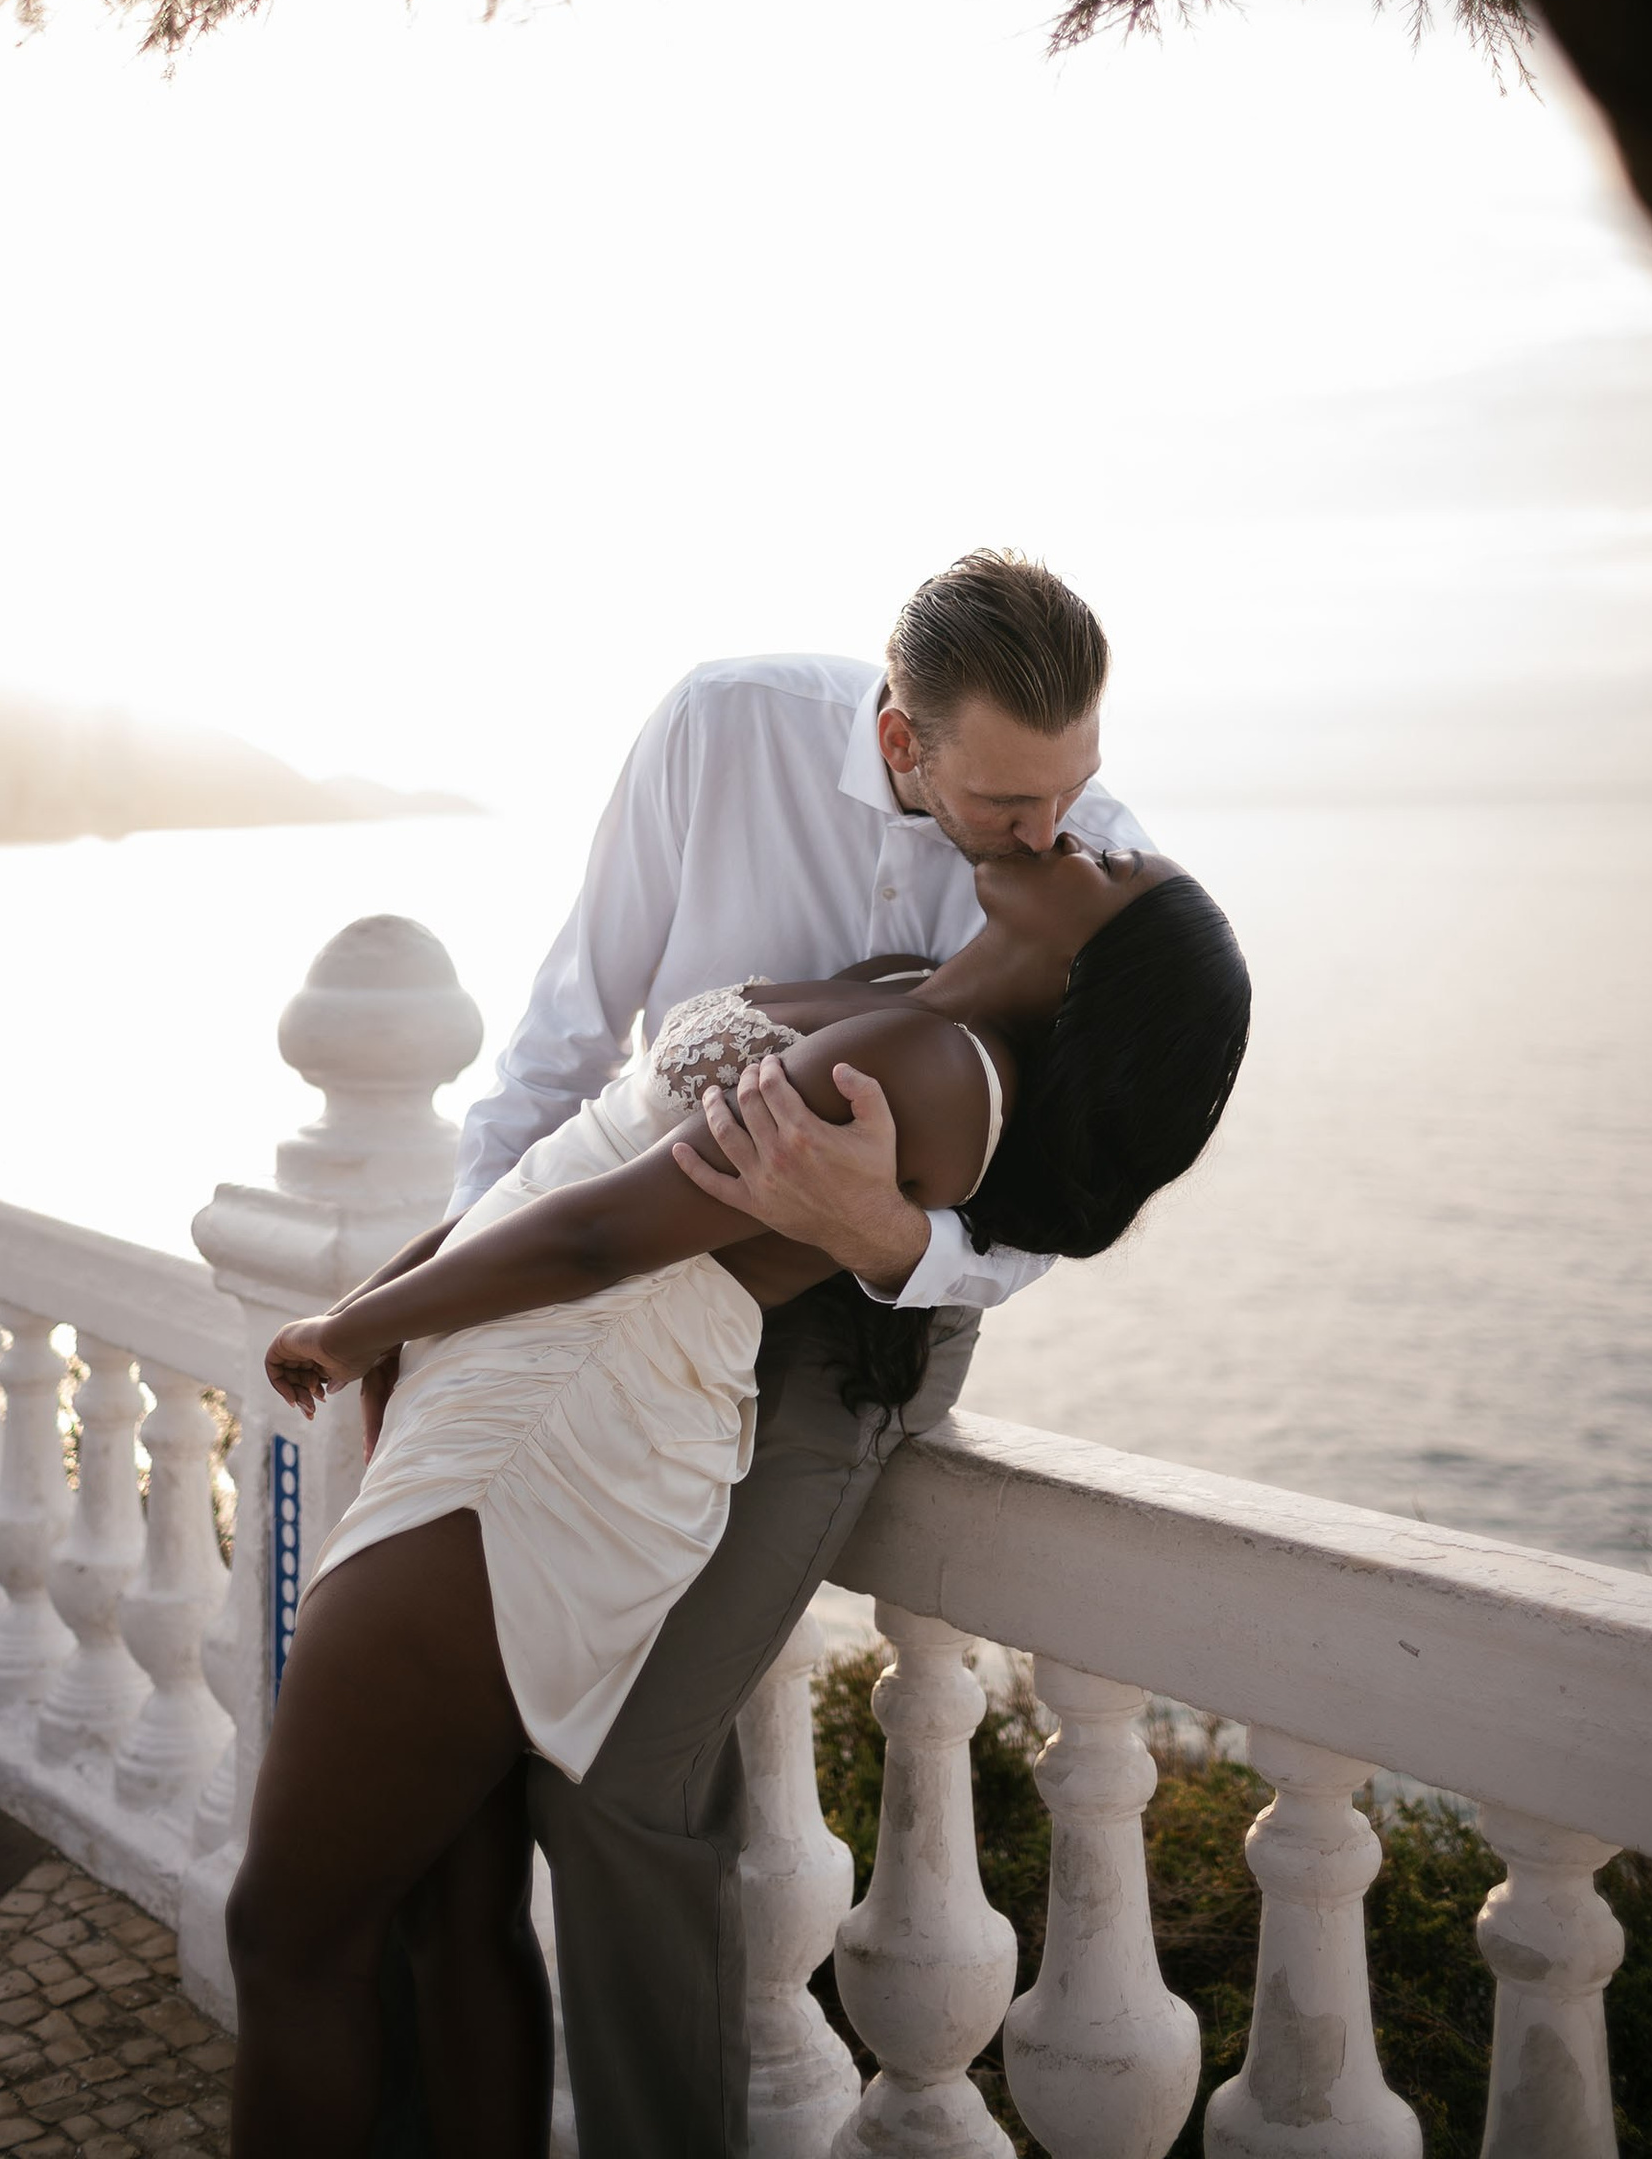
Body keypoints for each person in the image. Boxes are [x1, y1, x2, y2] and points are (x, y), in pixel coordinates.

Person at [225, 826, 1250, 2159]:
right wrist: (398, 1305)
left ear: (1092, 974)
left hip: (538, 1441)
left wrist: (359, 1326)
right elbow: (578, 1157)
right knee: (446, 1916)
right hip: (505, 1397)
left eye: (1115, 873)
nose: (1089, 836)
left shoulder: (930, 1071)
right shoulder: (902, 990)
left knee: (287, 1936)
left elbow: (609, 1228)